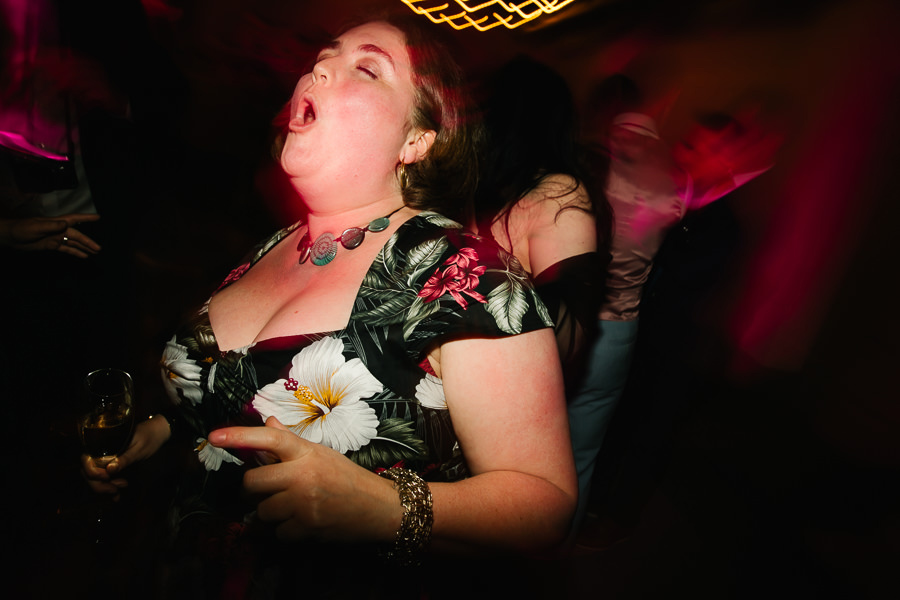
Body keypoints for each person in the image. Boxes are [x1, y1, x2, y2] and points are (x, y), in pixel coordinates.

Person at [82, 15, 576, 598]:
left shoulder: (467, 274)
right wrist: (164, 430)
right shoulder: (275, 243)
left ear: (416, 140)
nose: (316, 69)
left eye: (366, 67)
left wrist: (382, 508)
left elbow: (545, 503)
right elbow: (240, 389)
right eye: (322, 57)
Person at [569, 74, 781, 546]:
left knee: (635, 427)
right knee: (610, 420)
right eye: (687, 143)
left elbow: (681, 282)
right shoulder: (678, 198)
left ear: (725, 159)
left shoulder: (723, 222)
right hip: (636, 332)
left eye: (698, 147)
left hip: (664, 341)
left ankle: (600, 512)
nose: (684, 153)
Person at [470, 55, 610, 391]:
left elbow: (568, 340)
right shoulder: (477, 184)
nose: (469, 119)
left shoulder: (559, 194)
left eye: (481, 107)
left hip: (507, 387)